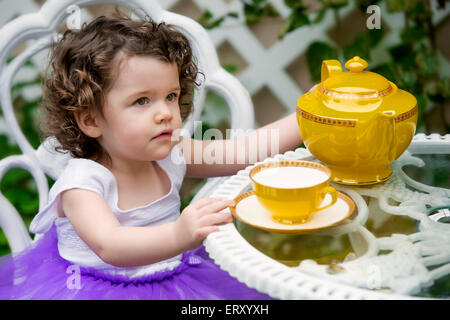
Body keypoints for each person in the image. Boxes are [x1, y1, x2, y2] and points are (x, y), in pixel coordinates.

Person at [0, 14, 302, 300]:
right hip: (97, 288)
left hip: (173, 278)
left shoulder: (171, 151)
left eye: (170, 96)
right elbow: (111, 245)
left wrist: (307, 117)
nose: (165, 113)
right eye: (142, 101)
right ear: (91, 120)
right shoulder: (83, 184)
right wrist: (178, 234)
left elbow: (241, 152)